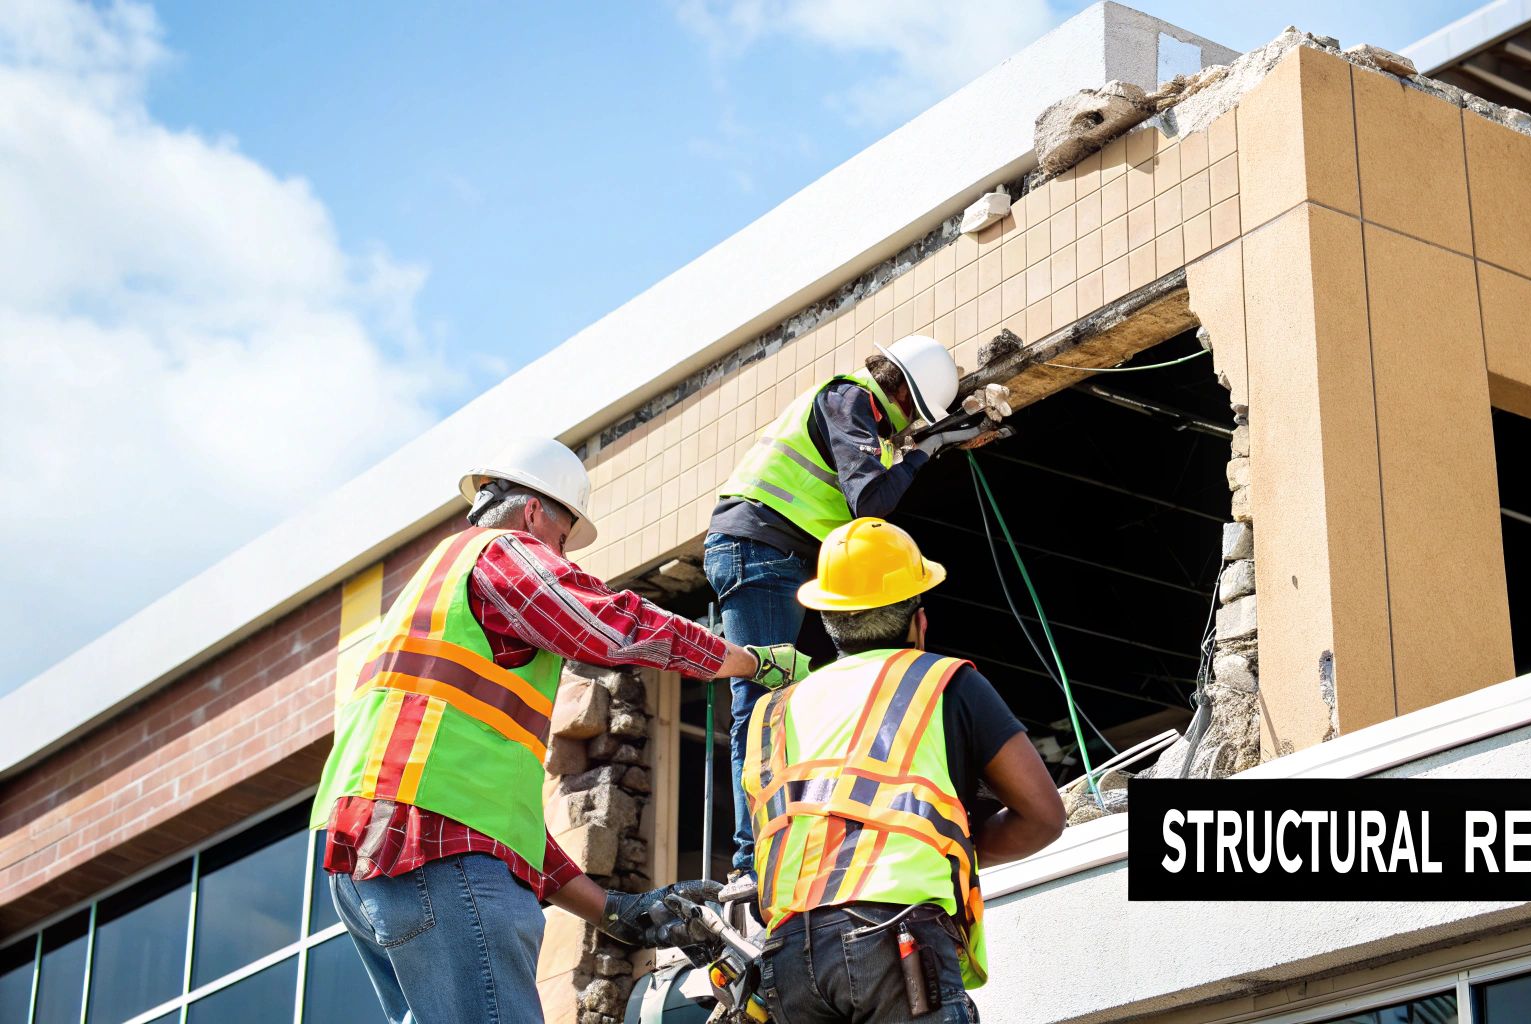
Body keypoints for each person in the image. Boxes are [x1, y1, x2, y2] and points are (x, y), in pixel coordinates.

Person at [310, 437, 810, 1024]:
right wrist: (751, 663)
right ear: (532, 513)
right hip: (430, 859)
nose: (564, 558)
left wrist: (612, 909)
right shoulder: (501, 551)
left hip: (378, 863)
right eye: (564, 539)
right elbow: (613, 626)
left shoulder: (433, 605)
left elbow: (498, 830)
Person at [740, 518, 1066, 1022]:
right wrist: (944, 847)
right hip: (894, 939)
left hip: (786, 958)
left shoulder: (772, 714)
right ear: (919, 620)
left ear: (828, 618)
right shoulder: (942, 681)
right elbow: (1042, 816)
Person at [709, 335, 991, 901]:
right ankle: (749, 859)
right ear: (906, 400)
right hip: (759, 551)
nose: (905, 431)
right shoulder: (849, 400)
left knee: (777, 700)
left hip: (770, 554)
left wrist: (921, 447)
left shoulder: (856, 415)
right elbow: (870, 503)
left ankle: (760, 849)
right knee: (760, 704)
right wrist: (923, 451)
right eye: (915, 419)